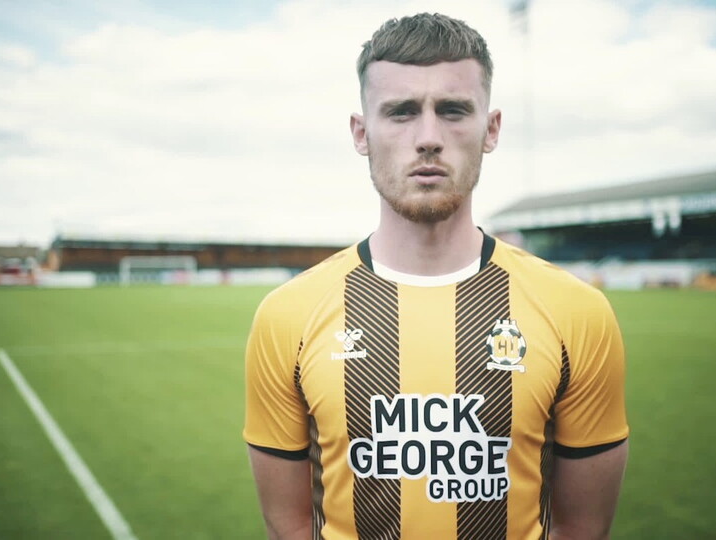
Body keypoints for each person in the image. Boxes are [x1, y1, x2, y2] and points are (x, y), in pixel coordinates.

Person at [243, 12, 628, 540]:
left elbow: (582, 529)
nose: (428, 137)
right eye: (401, 112)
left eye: (452, 110)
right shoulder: (287, 315)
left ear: (491, 129)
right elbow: (288, 528)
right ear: (362, 133)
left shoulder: (577, 313)